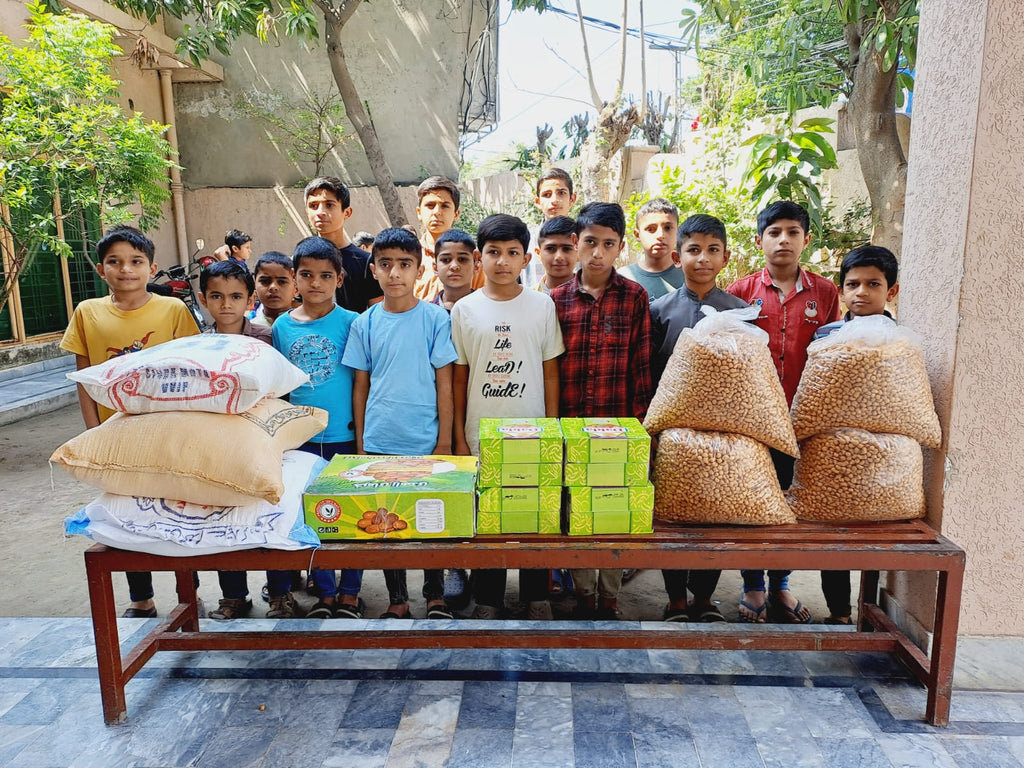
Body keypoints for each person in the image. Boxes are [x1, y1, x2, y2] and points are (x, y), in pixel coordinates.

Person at [60, 225, 200, 618]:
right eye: (115, 262)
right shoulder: (86, 313)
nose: (126, 270)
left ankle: (189, 594)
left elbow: (190, 370)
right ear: (102, 269)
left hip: (168, 432)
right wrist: (94, 431)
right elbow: (83, 378)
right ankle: (141, 597)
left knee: (178, 510)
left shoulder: (172, 310)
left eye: (136, 262)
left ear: (152, 267)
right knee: (126, 515)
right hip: (115, 435)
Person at [727, 200, 841, 623]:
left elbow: (831, 352)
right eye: (774, 232)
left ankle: (782, 584)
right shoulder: (740, 292)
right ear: (759, 241)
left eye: (793, 232)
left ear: (806, 240)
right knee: (754, 502)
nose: (783, 240)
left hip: (802, 418)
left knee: (790, 503)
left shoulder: (825, 292)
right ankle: (753, 585)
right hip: (753, 419)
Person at [451, 214, 564, 620]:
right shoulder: (464, 310)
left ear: (526, 257)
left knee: (534, 511)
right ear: (479, 257)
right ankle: (489, 597)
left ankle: (537, 594)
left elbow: (550, 369)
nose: (502, 262)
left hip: (532, 431)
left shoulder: (541, 305)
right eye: (493, 253)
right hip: (480, 433)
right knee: (487, 517)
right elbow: (458, 376)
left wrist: (552, 427)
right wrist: (459, 436)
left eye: (512, 253)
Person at [343, 228, 459, 620]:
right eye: (386, 265)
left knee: (431, 520)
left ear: (419, 269)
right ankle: (397, 599)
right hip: (380, 441)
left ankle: (435, 595)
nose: (395, 273)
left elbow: (446, 384)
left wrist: (444, 441)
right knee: (385, 522)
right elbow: (360, 387)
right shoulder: (365, 324)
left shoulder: (434, 319)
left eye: (404, 265)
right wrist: (360, 442)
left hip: (426, 440)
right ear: (373, 269)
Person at [550, 203, 652, 620]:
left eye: (608, 245)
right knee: (574, 509)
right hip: (570, 425)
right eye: (590, 242)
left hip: (617, 427)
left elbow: (641, 365)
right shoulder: (555, 300)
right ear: (576, 243)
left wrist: (640, 430)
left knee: (612, 510)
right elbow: (550, 368)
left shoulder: (634, 297)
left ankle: (609, 598)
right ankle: (583, 594)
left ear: (620, 249)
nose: (597, 253)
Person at [650, 214, 750, 622]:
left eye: (712, 251)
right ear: (678, 256)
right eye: (693, 250)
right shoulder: (659, 310)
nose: (702, 259)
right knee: (671, 514)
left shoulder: (740, 312)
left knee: (715, 513)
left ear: (725, 258)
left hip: (722, 434)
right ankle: (675, 598)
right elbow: (651, 370)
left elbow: (747, 376)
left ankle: (704, 597)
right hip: (671, 431)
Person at [269, 236, 362, 620]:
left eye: (326, 275)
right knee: (312, 515)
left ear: (340, 279)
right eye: (306, 275)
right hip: (300, 438)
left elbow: (361, 381)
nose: (316, 283)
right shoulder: (282, 327)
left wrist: (362, 432)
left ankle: (351, 591)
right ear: (294, 278)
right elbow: (280, 387)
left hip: (345, 434)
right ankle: (324, 592)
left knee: (352, 515)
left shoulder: (353, 322)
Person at [812, 244, 900, 625]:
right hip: (834, 453)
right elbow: (814, 395)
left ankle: (870, 605)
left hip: (883, 456)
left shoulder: (900, 339)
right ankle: (838, 612)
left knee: (875, 533)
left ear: (891, 291)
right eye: (853, 284)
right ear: (841, 289)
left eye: (873, 284)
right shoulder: (827, 333)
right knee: (833, 537)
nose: (862, 292)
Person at [195, 260, 271, 620]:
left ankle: (280, 590)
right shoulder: (199, 347)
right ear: (203, 300)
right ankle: (234, 594)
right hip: (218, 442)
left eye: (236, 296)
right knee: (223, 514)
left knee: (267, 513)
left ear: (250, 299)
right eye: (217, 296)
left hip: (261, 438)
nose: (226, 304)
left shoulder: (268, 338)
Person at [304, 176, 383, 313]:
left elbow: (376, 314)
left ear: (347, 212)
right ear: (307, 212)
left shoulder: (365, 261)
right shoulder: (301, 260)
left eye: (329, 205)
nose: (320, 212)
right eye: (313, 206)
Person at [412, 176, 485, 301]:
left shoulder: (472, 256)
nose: (437, 212)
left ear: (456, 214)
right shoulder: (410, 256)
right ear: (419, 212)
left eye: (445, 206)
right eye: (430, 205)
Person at [619, 198, 684, 302]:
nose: (660, 235)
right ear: (637, 235)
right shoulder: (622, 278)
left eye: (667, 228)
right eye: (650, 229)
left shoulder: (691, 274)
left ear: (678, 232)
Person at [526, 167, 578, 289]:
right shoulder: (525, 240)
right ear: (538, 202)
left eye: (561, 193)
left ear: (572, 199)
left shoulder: (585, 239)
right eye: (547, 195)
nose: (554, 200)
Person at [430, 228, 480, 312]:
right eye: (446, 260)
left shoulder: (489, 309)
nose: (454, 266)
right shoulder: (425, 314)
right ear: (435, 268)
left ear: (476, 266)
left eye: (462, 259)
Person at [250, 251, 298, 328]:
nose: (273, 287)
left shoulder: (307, 329)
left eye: (282, 282)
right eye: (265, 281)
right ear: (254, 286)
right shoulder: (247, 330)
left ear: (296, 289)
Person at [533, 216, 578, 295]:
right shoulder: (528, 298)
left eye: (566, 249)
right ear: (538, 253)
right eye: (550, 248)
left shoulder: (594, 298)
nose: (559, 257)